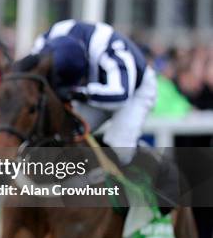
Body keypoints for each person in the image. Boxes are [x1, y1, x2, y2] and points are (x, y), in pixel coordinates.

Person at [31, 19, 157, 165]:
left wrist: (78, 93)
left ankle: (142, 164)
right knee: (65, 132)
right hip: (93, 86)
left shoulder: (109, 49)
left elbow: (120, 95)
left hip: (134, 91)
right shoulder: (42, 46)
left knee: (118, 148)